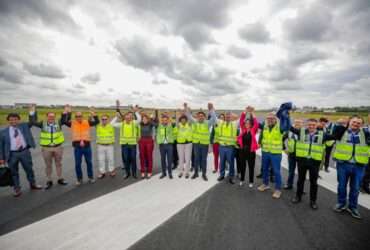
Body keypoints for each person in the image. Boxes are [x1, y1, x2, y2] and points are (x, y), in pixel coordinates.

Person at [290, 118, 335, 210]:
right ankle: (298, 196)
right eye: (309, 124)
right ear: (307, 125)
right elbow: (290, 128)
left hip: (314, 162)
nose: (311, 126)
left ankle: (313, 201)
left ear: (317, 125)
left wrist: (343, 126)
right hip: (302, 161)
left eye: (313, 125)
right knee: (300, 180)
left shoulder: (323, 135)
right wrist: (284, 116)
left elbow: (335, 136)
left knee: (313, 182)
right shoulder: (301, 132)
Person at [332, 115, 370, 219]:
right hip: (343, 164)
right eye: (354, 122)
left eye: (358, 123)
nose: (356, 124)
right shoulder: (341, 131)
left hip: (359, 166)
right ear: (349, 122)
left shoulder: (366, 133)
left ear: (362, 124)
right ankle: (341, 203)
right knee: (341, 186)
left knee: (355, 188)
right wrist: (339, 123)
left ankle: (353, 207)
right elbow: (333, 132)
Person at [0, 113, 42, 197]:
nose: (13, 121)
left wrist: (32, 111)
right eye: (11, 120)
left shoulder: (24, 126)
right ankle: (17, 188)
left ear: (19, 120)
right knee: (13, 172)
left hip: (24, 152)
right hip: (11, 154)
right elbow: (1, 146)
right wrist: (1, 158)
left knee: (29, 169)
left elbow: (32, 121)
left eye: (15, 119)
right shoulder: (3, 132)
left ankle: (33, 184)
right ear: (8, 121)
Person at [29, 104, 68, 189]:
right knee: (48, 165)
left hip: (58, 147)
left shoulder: (59, 122)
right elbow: (33, 122)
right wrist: (32, 111)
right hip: (46, 148)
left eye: (53, 116)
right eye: (50, 116)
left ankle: (60, 178)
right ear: (46, 117)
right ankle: (49, 180)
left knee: (58, 164)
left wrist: (65, 110)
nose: (51, 118)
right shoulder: (42, 123)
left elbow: (64, 119)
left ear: (55, 117)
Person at [257, 103, 292, 199]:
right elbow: (261, 136)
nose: (270, 119)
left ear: (275, 119)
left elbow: (288, 126)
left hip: (275, 154)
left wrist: (287, 116)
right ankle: (265, 184)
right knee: (264, 169)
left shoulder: (279, 127)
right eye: (268, 118)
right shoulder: (265, 126)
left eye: (272, 118)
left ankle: (278, 189)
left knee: (276, 171)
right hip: (265, 152)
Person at [62, 106, 99, 185]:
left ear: (82, 116)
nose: (78, 117)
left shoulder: (87, 122)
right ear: (75, 117)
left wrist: (94, 114)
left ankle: (90, 177)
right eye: (77, 116)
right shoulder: (72, 123)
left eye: (80, 116)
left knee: (89, 162)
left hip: (87, 146)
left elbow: (97, 122)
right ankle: (79, 179)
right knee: (77, 164)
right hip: (77, 147)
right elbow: (63, 121)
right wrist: (66, 112)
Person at [185, 103, 217, 181]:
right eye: (199, 116)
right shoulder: (195, 122)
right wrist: (186, 108)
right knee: (196, 159)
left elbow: (214, 118)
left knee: (203, 160)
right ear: (197, 117)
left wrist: (211, 109)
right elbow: (189, 116)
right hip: (196, 144)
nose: (200, 117)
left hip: (204, 145)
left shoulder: (207, 123)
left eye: (202, 116)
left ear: (204, 117)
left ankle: (204, 174)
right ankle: (196, 173)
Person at [111, 102, 141, 179]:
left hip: (132, 145)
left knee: (133, 159)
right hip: (124, 145)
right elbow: (112, 124)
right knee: (126, 160)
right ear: (125, 117)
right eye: (127, 116)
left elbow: (139, 119)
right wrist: (116, 117)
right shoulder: (122, 124)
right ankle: (127, 173)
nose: (128, 117)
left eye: (130, 116)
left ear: (131, 118)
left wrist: (136, 112)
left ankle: (134, 173)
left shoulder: (134, 123)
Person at [237, 107, 259, 187]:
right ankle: (242, 180)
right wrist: (245, 111)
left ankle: (251, 182)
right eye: (246, 123)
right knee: (243, 166)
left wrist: (252, 113)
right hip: (242, 151)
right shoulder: (243, 130)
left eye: (248, 123)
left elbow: (256, 123)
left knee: (251, 167)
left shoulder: (253, 130)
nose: (247, 124)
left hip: (251, 152)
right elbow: (241, 120)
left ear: (250, 125)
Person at [217, 111, 239, 184]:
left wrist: (245, 112)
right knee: (222, 162)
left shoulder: (234, 124)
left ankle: (231, 177)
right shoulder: (221, 122)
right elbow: (214, 117)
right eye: (226, 116)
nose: (227, 117)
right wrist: (211, 110)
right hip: (222, 147)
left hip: (230, 147)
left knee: (231, 163)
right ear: (224, 117)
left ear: (231, 117)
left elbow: (241, 119)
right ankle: (222, 175)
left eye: (229, 116)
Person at [283, 119, 303, 190]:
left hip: (301, 156)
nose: (297, 124)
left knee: (301, 173)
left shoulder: (304, 132)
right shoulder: (289, 132)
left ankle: (300, 188)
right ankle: (289, 184)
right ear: (294, 123)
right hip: (291, 155)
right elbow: (282, 139)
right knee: (291, 171)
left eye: (299, 122)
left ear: (302, 124)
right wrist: (284, 149)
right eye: (296, 122)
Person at [138, 111, 158, 179]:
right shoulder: (140, 124)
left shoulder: (150, 124)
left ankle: (149, 171)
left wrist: (151, 119)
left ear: (147, 119)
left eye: (145, 119)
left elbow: (156, 125)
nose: (144, 120)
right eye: (143, 119)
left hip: (149, 141)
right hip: (141, 141)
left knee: (149, 156)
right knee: (142, 156)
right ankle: (142, 171)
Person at [156, 113, 176, 179]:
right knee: (163, 160)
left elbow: (173, 122)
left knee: (170, 160)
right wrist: (159, 142)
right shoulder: (159, 126)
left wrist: (168, 116)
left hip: (169, 145)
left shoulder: (170, 126)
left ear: (167, 120)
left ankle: (170, 173)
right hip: (162, 145)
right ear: (162, 121)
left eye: (166, 120)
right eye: (163, 120)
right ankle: (164, 173)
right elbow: (158, 135)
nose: (164, 121)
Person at [96, 114, 116, 179]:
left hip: (109, 145)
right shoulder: (98, 126)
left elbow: (116, 118)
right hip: (100, 145)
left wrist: (117, 108)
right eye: (103, 119)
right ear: (101, 120)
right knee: (101, 160)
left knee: (111, 159)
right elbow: (92, 121)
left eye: (105, 119)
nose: (104, 120)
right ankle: (102, 172)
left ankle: (111, 171)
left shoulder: (111, 125)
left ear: (108, 120)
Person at [176, 114, 193, 178]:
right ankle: (180, 172)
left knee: (188, 158)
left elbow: (191, 118)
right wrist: (178, 114)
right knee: (181, 158)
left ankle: (187, 172)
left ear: (186, 120)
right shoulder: (178, 125)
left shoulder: (189, 125)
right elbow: (176, 121)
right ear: (180, 120)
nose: (183, 121)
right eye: (182, 120)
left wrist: (186, 110)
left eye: (184, 119)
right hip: (180, 144)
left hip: (188, 144)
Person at [360, 113, 370, 194]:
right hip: (364, 155)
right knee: (364, 171)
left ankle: (366, 185)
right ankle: (361, 186)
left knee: (369, 172)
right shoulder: (363, 130)